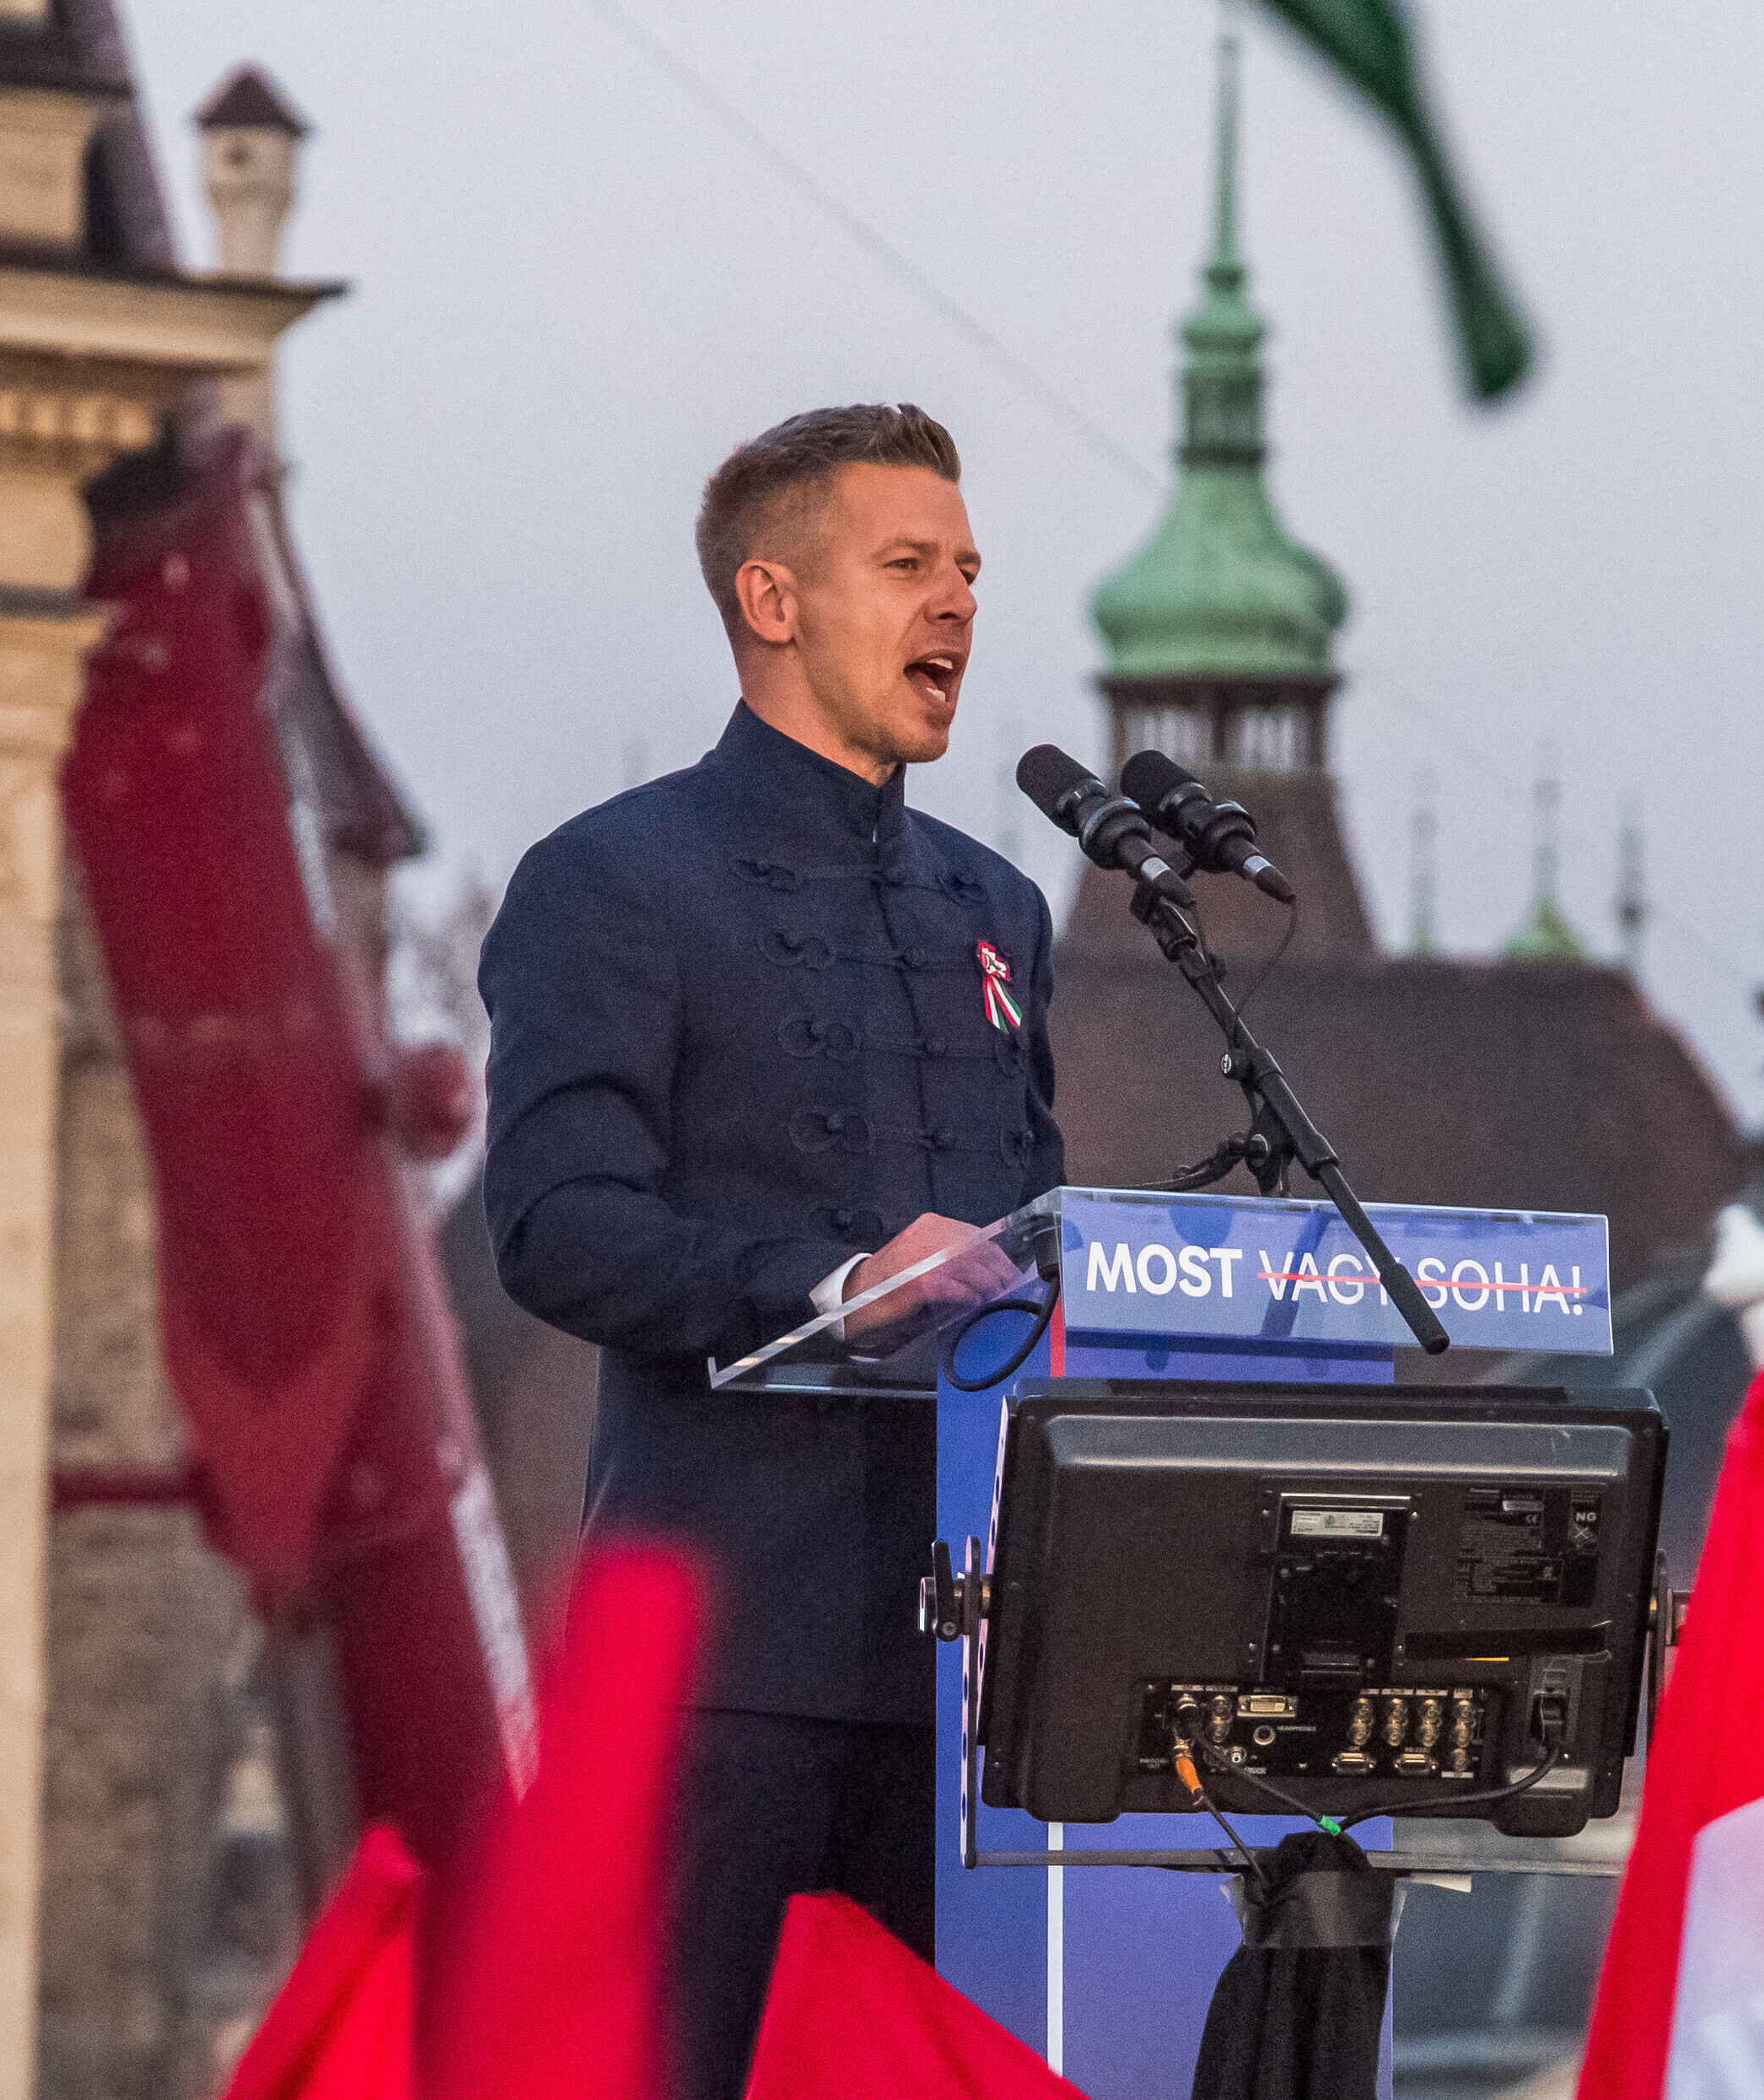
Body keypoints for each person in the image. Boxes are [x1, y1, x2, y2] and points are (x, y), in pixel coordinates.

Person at [479, 402, 1063, 2099]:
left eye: (968, 570)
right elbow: (558, 1229)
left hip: (972, 1670)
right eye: (907, 567)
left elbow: (1030, 1216)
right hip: (723, 1659)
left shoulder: (998, 910)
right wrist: (827, 1287)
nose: (957, 601)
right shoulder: (612, 882)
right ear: (772, 599)